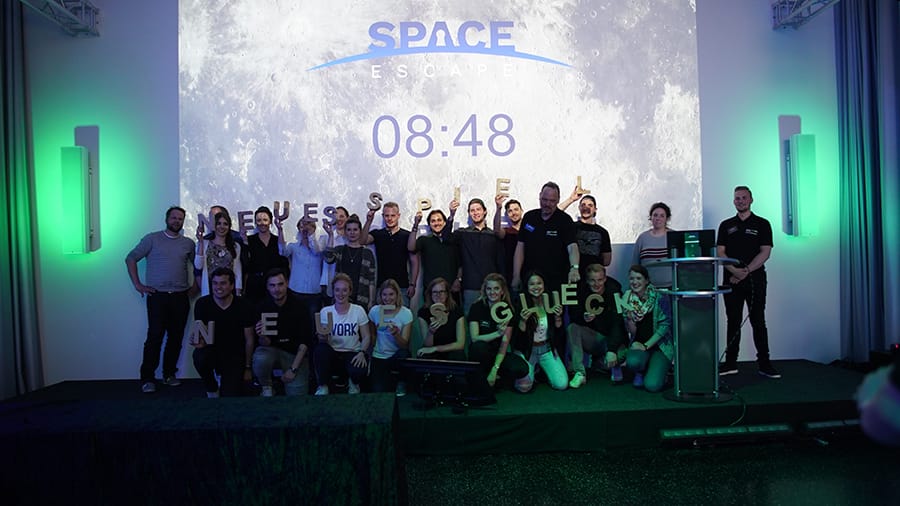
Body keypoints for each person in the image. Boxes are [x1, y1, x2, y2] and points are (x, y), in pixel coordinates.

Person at [126, 206, 196, 393]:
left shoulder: (188, 244)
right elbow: (130, 258)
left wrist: (195, 288)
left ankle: (169, 374)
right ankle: (147, 378)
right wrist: (138, 285)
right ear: (167, 219)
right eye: (174, 217)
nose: (176, 221)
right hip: (157, 296)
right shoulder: (152, 239)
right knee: (155, 337)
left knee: (176, 338)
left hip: (180, 297)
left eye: (180, 219)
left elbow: (198, 266)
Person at [716, 186, 778, 379]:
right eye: (737, 198)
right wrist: (734, 271)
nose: (740, 201)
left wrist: (746, 271)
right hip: (731, 280)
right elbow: (720, 252)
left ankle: (765, 364)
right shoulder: (726, 225)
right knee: (733, 321)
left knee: (758, 321)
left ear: (751, 200)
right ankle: (730, 364)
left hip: (755, 280)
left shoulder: (762, 224)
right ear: (733, 201)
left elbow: (765, 252)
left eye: (744, 198)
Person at [190, 267, 255, 397]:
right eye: (215, 283)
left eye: (223, 283)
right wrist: (200, 342)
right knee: (199, 356)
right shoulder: (202, 303)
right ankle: (212, 387)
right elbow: (202, 334)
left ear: (232, 286)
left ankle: (224, 378)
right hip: (212, 351)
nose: (218, 287)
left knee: (231, 395)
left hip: (235, 354)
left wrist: (247, 367)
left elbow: (249, 339)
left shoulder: (244, 305)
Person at [252, 268, 313, 397]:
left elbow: (305, 342)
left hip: (294, 354)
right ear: (267, 287)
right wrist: (261, 335)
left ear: (287, 283)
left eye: (280, 284)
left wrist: (293, 369)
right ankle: (267, 386)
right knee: (260, 359)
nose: (277, 289)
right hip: (272, 350)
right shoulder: (262, 306)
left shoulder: (300, 306)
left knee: (298, 396)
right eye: (272, 285)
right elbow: (264, 343)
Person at [513, 182, 580, 294]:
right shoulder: (529, 217)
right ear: (539, 196)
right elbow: (520, 247)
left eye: (552, 201)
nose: (547, 204)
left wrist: (574, 268)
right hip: (530, 279)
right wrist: (516, 275)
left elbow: (572, 247)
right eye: (544, 199)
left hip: (556, 280)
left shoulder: (565, 220)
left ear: (558, 200)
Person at [567, 264, 628, 388]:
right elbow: (573, 315)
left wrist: (611, 350)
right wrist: (583, 317)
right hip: (594, 338)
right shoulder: (581, 291)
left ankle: (599, 363)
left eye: (600, 280)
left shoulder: (614, 292)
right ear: (587, 280)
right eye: (592, 280)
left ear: (605, 279)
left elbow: (618, 323)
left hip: (612, 340)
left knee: (622, 355)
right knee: (572, 328)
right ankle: (580, 372)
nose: (596, 284)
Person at [467, 273, 529, 388]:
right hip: (480, 352)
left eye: (496, 288)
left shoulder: (508, 310)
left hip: (497, 353)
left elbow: (504, 345)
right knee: (479, 347)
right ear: (485, 290)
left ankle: (495, 376)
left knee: (522, 368)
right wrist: (497, 333)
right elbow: (475, 338)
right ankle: (483, 377)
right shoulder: (477, 307)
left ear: (502, 291)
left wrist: (495, 368)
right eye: (489, 289)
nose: (492, 292)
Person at [314, 273, 372, 395]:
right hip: (333, 352)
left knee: (359, 371)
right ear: (333, 291)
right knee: (320, 350)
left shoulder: (358, 310)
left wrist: (362, 352)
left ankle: (353, 382)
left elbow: (366, 336)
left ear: (350, 291)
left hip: (352, 352)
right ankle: (323, 385)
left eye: (344, 290)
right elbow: (322, 340)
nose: (341, 294)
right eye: (337, 290)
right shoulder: (325, 311)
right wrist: (322, 337)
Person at [512, 271, 568, 392]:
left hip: (546, 349)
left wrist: (558, 319)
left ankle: (543, 371)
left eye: (539, 283)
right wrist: (522, 322)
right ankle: (534, 370)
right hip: (528, 350)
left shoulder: (551, 302)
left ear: (544, 285)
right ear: (527, 286)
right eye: (532, 284)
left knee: (561, 384)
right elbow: (517, 341)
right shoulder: (521, 304)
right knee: (523, 387)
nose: (536, 287)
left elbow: (559, 335)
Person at [622, 265, 673, 392]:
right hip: (639, 344)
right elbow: (632, 332)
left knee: (652, 385)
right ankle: (642, 370)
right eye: (632, 279)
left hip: (659, 346)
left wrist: (645, 346)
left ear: (646, 280)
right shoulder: (627, 298)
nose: (635, 282)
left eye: (638, 278)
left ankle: (661, 370)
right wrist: (629, 318)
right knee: (632, 362)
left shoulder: (660, 297)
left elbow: (664, 327)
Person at [363, 202, 419, 305]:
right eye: (386, 215)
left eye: (393, 215)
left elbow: (414, 261)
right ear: (383, 216)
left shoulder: (407, 235)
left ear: (398, 216)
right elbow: (362, 241)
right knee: (381, 315)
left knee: (403, 315)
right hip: (382, 287)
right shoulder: (378, 234)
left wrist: (413, 284)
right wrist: (368, 221)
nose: (389, 218)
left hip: (402, 287)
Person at [454, 198, 504, 314]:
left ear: (484, 211)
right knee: (470, 317)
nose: (475, 212)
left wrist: (501, 283)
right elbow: (446, 237)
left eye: (478, 209)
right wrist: (452, 214)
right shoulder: (463, 233)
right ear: (469, 213)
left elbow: (500, 261)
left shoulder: (493, 235)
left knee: (493, 317)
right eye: (472, 210)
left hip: (492, 286)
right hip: (471, 285)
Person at [279, 215, 326, 340]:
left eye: (308, 225)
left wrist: (311, 235)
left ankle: (312, 349)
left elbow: (316, 250)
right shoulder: (293, 246)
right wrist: (280, 230)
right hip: (295, 291)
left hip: (314, 293)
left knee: (313, 325)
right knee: (295, 323)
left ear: (314, 228)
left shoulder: (320, 245)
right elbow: (282, 251)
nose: (305, 229)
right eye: (302, 226)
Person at [368, 279, 414, 395]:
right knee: (378, 392)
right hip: (379, 356)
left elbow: (404, 345)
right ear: (380, 295)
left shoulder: (406, 313)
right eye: (384, 294)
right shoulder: (374, 311)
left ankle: (401, 381)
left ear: (397, 295)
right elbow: (372, 336)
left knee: (404, 354)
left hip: (396, 356)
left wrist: (395, 334)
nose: (387, 298)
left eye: (391, 294)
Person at [324, 215, 376, 309]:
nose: (352, 233)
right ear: (345, 232)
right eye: (349, 230)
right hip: (341, 296)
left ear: (360, 231)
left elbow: (371, 279)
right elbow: (328, 258)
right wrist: (330, 235)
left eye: (355, 229)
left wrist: (371, 301)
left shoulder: (368, 253)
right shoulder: (340, 249)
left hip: (361, 297)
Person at [408, 204, 459, 290]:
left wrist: (458, 279)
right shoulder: (424, 240)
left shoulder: (454, 239)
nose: (436, 223)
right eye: (433, 221)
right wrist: (416, 224)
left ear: (445, 222)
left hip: (451, 288)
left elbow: (460, 262)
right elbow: (411, 248)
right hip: (430, 288)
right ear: (429, 224)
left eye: (439, 220)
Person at [244, 206, 286, 303]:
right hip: (255, 284)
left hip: (273, 285)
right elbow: (246, 264)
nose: (262, 223)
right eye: (259, 220)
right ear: (255, 222)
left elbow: (283, 257)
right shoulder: (249, 240)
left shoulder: (277, 240)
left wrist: (280, 230)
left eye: (265, 220)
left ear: (270, 221)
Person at [194, 212, 243, 297]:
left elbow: (237, 270)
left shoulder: (235, 246)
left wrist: (238, 292)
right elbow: (198, 266)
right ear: (214, 225)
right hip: (210, 289)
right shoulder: (204, 244)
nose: (222, 227)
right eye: (219, 223)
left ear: (229, 227)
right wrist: (201, 242)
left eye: (225, 224)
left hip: (228, 290)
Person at [417, 277, 466, 360]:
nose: (438, 295)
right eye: (435, 292)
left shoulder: (456, 311)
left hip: (451, 349)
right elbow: (428, 345)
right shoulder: (423, 312)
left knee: (458, 356)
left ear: (447, 294)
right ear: (430, 294)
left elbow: (460, 344)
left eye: (441, 292)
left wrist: (436, 348)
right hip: (432, 349)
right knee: (422, 355)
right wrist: (431, 332)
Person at [632, 202, 674, 288]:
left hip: (672, 288)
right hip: (647, 289)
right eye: (655, 215)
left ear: (667, 218)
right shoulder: (642, 238)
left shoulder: (674, 236)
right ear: (650, 217)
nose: (658, 218)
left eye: (662, 216)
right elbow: (635, 266)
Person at [570, 195, 612, 278]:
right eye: (583, 205)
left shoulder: (603, 232)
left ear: (595, 209)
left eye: (590, 205)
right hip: (575, 275)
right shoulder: (571, 228)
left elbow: (607, 260)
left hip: (594, 278)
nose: (586, 208)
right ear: (579, 208)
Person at [319, 206, 350, 298]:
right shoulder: (325, 237)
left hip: (347, 283)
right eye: (335, 217)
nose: (338, 219)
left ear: (347, 218)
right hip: (328, 283)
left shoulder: (351, 238)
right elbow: (317, 252)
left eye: (342, 216)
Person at [493, 195, 523, 286]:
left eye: (516, 209)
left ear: (521, 211)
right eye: (510, 211)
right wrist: (499, 208)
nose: (513, 213)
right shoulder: (507, 231)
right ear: (507, 215)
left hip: (529, 273)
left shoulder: (529, 229)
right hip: (510, 275)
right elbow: (497, 230)